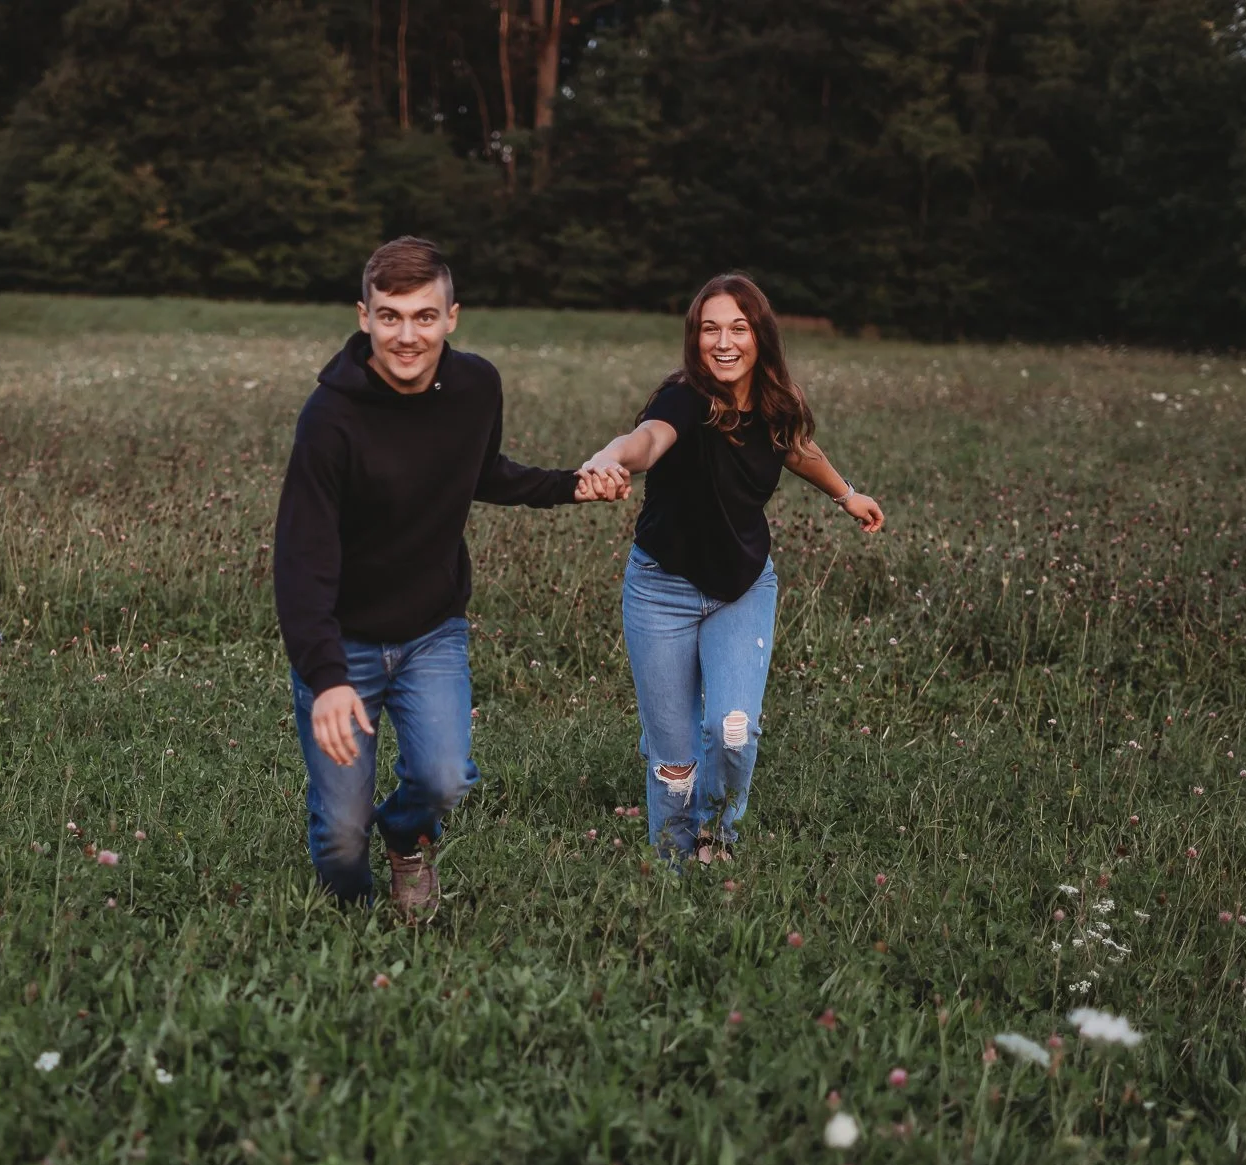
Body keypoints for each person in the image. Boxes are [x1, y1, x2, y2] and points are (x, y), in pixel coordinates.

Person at [273, 237, 627, 916]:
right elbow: (301, 559)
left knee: (443, 778)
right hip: (343, 643)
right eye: (390, 316)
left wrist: (570, 486)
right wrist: (325, 678)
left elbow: (480, 470)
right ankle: (351, 927)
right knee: (342, 838)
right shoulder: (330, 420)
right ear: (363, 316)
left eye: (424, 316)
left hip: (432, 630)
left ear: (452, 316)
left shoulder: (476, 387)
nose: (407, 336)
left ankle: (407, 836)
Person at [577, 273, 885, 864]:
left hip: (742, 587)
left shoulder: (774, 404)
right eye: (709, 329)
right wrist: (607, 456)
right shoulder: (683, 398)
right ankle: (672, 860)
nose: (724, 342)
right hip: (660, 589)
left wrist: (845, 494)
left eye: (738, 328)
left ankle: (717, 836)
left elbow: (796, 449)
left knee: (732, 729)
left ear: (759, 337)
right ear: (694, 339)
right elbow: (646, 440)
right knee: (675, 759)